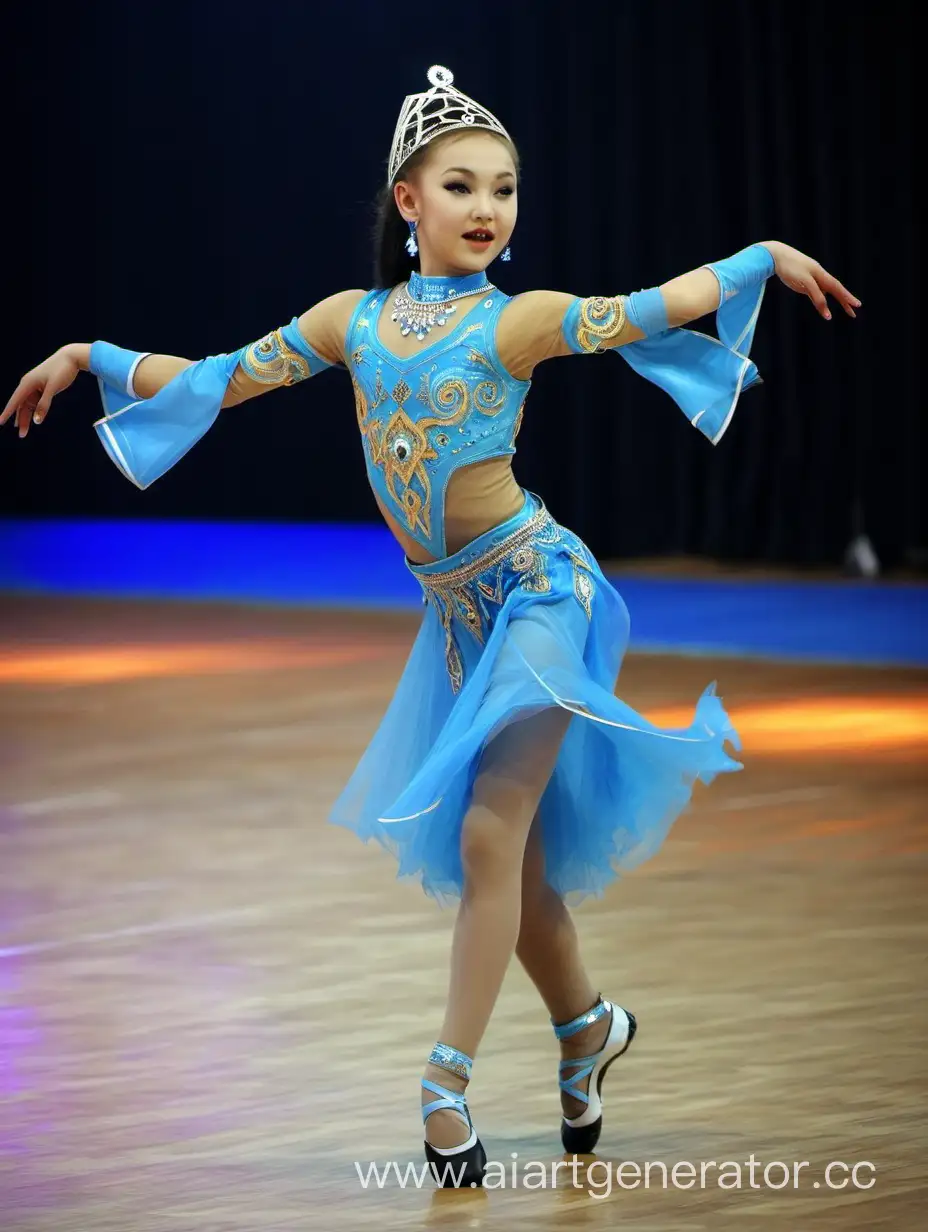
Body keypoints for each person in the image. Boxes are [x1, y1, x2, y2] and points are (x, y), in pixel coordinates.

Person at [3, 64, 858, 1188]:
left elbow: (642, 311)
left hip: (545, 592)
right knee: (523, 871)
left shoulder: (520, 322)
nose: (488, 208)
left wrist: (756, 258)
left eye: (504, 188)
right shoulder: (350, 325)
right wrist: (89, 356)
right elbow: (212, 379)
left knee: (488, 837)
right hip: (458, 620)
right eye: (461, 185)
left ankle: (444, 1080)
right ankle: (588, 1026)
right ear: (407, 201)